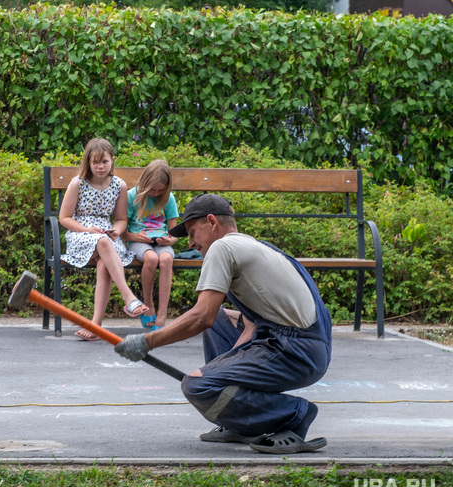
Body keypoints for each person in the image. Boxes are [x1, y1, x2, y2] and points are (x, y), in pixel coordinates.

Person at [114, 193, 332, 454]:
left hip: (295, 350)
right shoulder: (251, 246)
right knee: (219, 321)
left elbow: (201, 317)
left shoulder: (222, 248)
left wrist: (147, 342)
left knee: (197, 385)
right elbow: (247, 323)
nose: (192, 243)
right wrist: (223, 373)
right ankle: (241, 423)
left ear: (211, 222)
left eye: (194, 232)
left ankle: (294, 415)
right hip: (302, 344)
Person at [59, 138, 148, 340]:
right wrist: (88, 230)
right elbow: (64, 218)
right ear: (88, 163)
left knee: (103, 263)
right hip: (80, 234)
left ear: (112, 161)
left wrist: (116, 230)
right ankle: (128, 297)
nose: (100, 167)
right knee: (103, 243)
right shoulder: (78, 183)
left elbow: (120, 219)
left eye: (105, 162)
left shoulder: (119, 185)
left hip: (106, 237)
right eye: (95, 162)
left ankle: (96, 325)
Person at [121, 160, 179, 330]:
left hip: (161, 241)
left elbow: (174, 232)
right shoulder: (132, 196)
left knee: (167, 258)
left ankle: (162, 314)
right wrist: (136, 236)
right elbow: (122, 233)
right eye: (152, 189)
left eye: (160, 190)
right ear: (145, 183)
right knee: (151, 258)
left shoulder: (168, 198)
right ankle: (148, 305)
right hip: (137, 242)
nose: (156, 193)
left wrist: (170, 240)